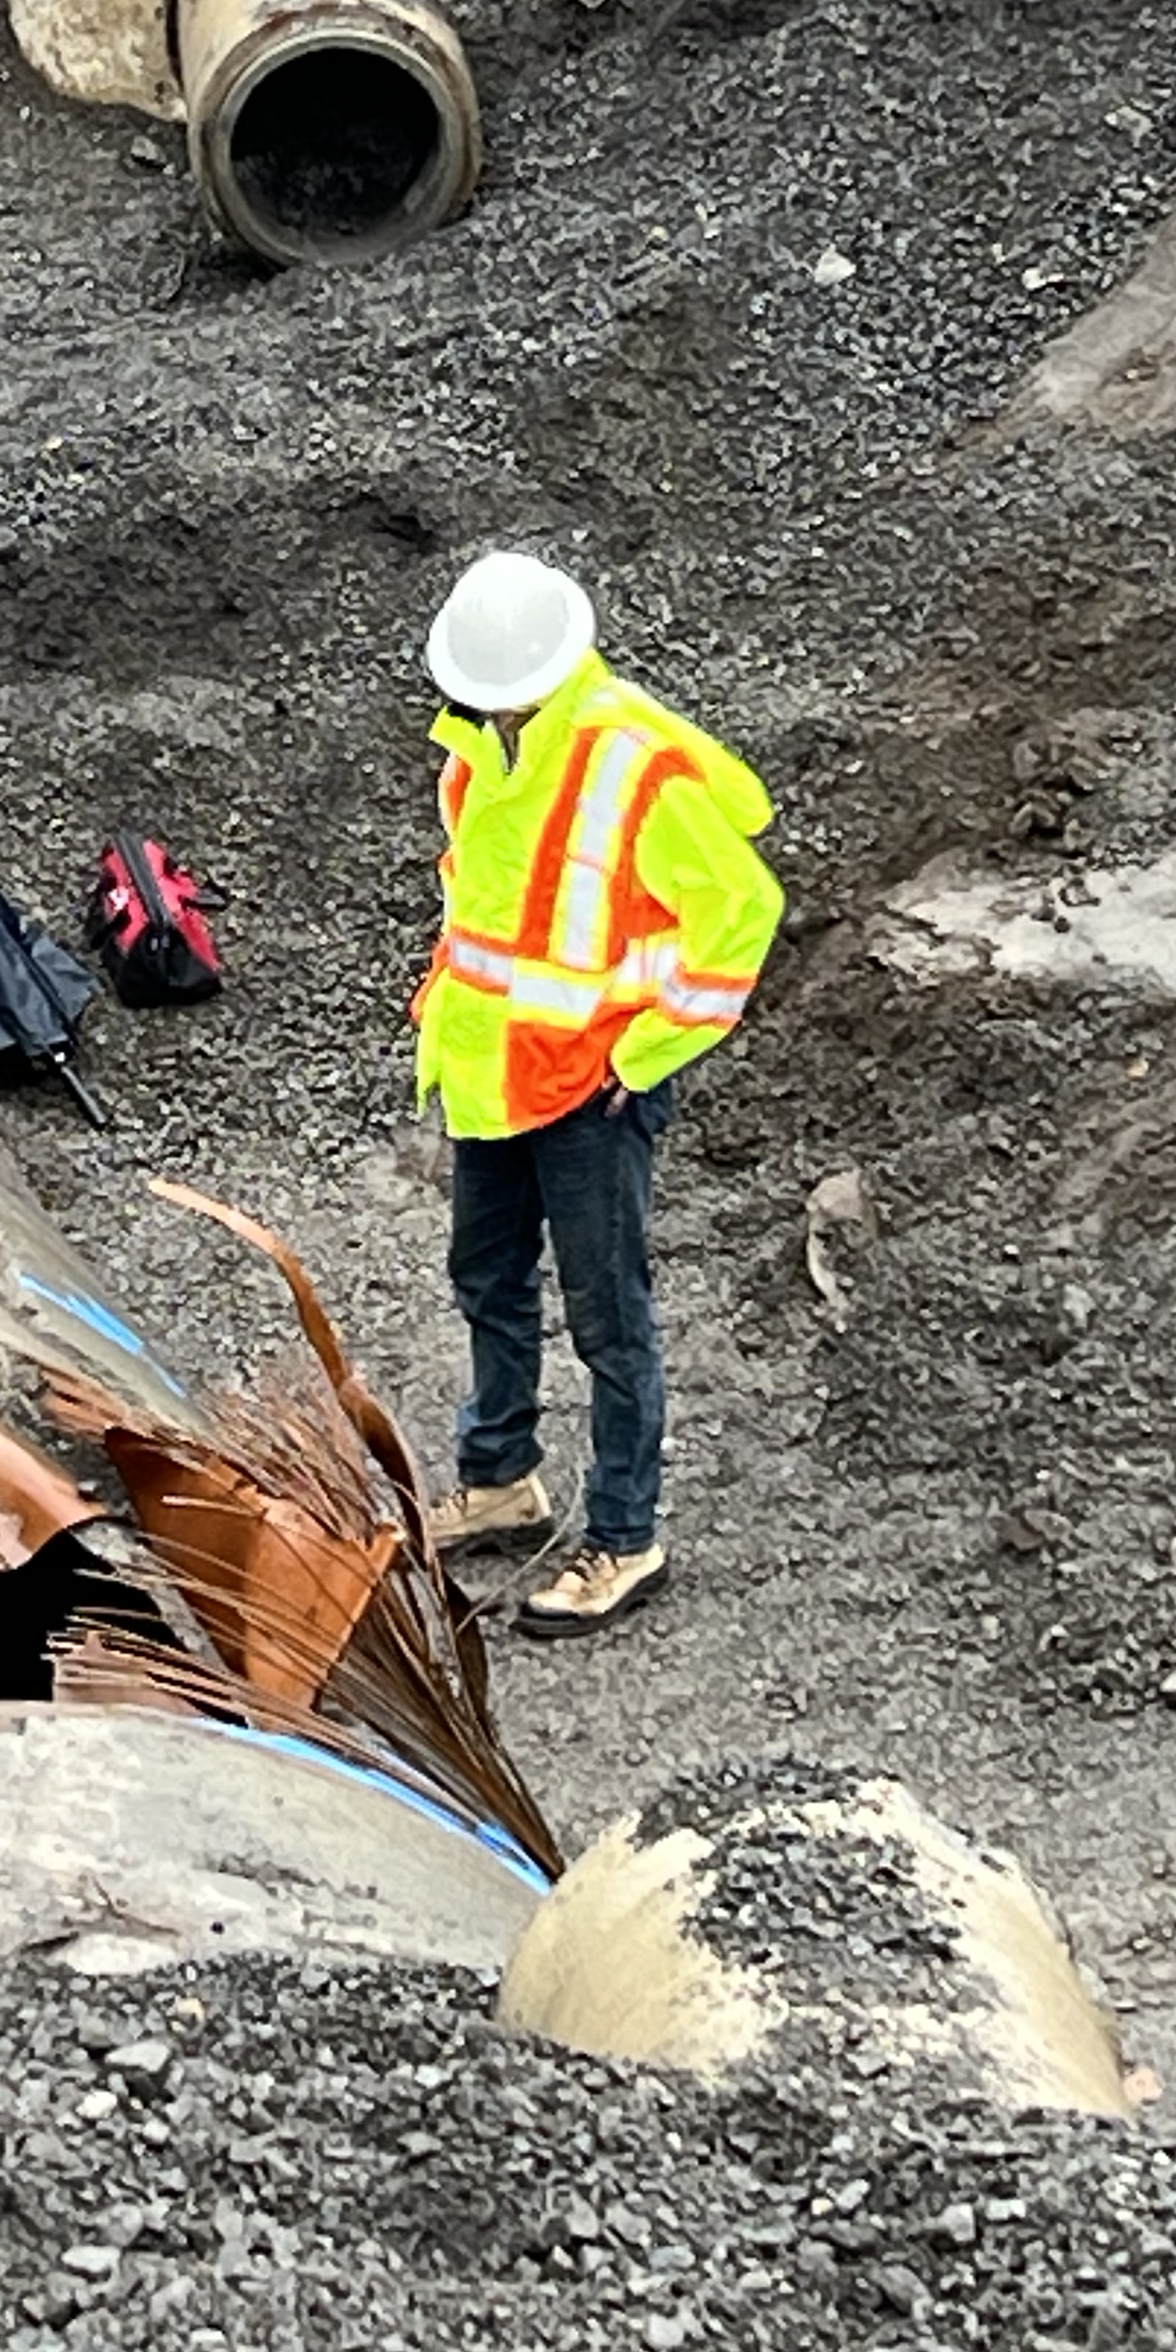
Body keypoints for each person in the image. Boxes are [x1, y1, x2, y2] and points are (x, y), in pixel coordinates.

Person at [408, 551, 784, 1629]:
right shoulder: (481, 749)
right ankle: (502, 1482)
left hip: (589, 1088)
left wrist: (646, 1053)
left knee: (608, 1319)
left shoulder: (630, 762)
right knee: (486, 1275)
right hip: (495, 1077)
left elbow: (741, 912)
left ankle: (624, 1538)